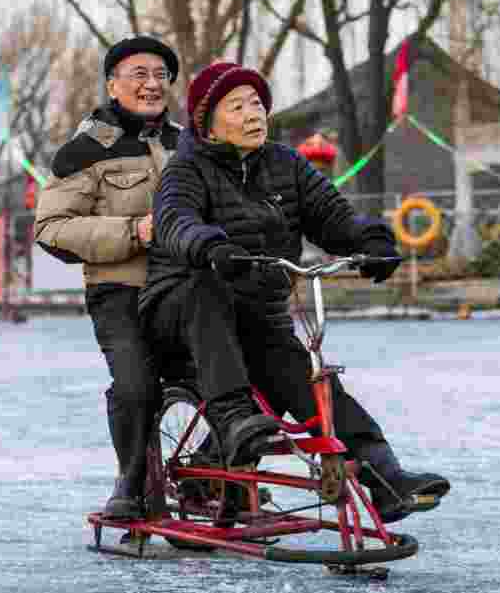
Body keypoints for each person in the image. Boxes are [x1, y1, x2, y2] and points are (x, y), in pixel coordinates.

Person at [139, 61, 450, 524]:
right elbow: (175, 222)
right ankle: (232, 418)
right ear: (208, 123)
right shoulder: (186, 170)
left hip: (256, 318)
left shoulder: (286, 164)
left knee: (305, 381)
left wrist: (370, 241)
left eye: (256, 103)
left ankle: (384, 476)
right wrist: (211, 246)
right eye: (237, 107)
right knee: (205, 287)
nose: (253, 114)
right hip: (182, 311)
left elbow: (333, 216)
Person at [34, 36, 182, 521]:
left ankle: (214, 475)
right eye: (139, 74)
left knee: (233, 377)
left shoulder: (189, 145)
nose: (152, 84)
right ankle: (130, 478)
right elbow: (50, 229)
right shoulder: (84, 151)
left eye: (161, 75)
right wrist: (133, 231)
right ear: (113, 85)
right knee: (137, 386)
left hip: (186, 288)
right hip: (120, 290)